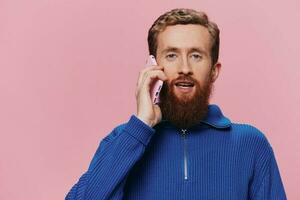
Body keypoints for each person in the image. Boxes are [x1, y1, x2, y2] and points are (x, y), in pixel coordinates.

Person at [65, 8, 287, 200]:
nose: (184, 68)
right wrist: (140, 125)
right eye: (171, 55)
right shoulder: (123, 140)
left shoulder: (251, 145)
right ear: (153, 67)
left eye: (196, 56)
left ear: (213, 71)